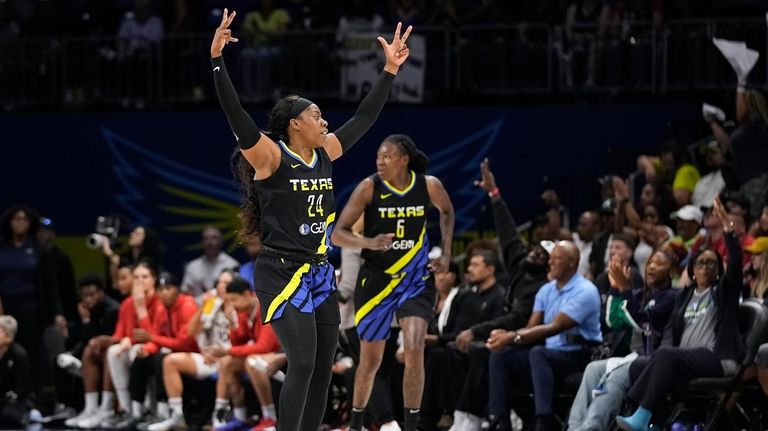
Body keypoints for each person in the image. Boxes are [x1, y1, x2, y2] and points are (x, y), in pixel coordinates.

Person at [210, 7, 411, 430]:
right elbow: (236, 117)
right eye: (317, 116)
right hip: (280, 272)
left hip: (319, 272)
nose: (325, 121)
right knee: (300, 363)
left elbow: (364, 118)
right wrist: (217, 61)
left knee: (322, 367)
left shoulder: (326, 153)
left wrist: (390, 71)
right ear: (295, 125)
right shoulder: (269, 156)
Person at [331, 133, 454, 431]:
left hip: (415, 279)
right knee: (371, 361)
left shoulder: (428, 185)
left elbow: (447, 212)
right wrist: (370, 242)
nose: (380, 161)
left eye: (386, 156)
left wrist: (447, 253)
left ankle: (410, 424)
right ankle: (357, 422)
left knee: (414, 347)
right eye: (378, 157)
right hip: (376, 281)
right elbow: (338, 234)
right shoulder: (369, 187)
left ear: (404, 160)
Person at [616, 195, 743, 431]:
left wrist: (728, 229)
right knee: (638, 365)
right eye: (701, 263)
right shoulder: (683, 296)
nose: (706, 267)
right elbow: (670, 330)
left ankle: (642, 415)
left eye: (712, 263)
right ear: (692, 271)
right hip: (682, 359)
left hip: (714, 358)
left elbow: (735, 264)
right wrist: (664, 350)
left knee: (665, 357)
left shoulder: (723, 292)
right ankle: (657, 420)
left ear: (719, 271)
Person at [486, 241, 602, 431]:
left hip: (580, 354)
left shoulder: (585, 291)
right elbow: (531, 328)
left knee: (538, 353)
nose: (550, 263)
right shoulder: (546, 290)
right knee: (500, 356)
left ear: (572, 263)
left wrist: (512, 336)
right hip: (550, 354)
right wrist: (507, 336)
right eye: (551, 258)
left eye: (557, 259)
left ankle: (544, 421)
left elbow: (554, 327)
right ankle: (500, 420)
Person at [567, 249, 680, 431]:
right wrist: (615, 288)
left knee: (617, 375)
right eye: (650, 262)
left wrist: (625, 290)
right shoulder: (640, 294)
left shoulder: (672, 296)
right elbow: (613, 321)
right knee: (592, 369)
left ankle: (591, 427)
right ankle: (573, 427)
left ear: (672, 272)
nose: (651, 266)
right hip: (632, 357)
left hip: (653, 360)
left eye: (659, 263)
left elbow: (644, 321)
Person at [0, 204, 66, 392]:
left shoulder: (39, 249)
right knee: (4, 350)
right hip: (4, 309)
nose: (20, 223)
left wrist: (58, 313)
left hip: (32, 309)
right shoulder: (2, 247)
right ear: (9, 222)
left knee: (32, 351)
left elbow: (50, 284)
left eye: (24, 219)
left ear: (30, 223)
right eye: (16, 219)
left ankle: (33, 394)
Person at [61, 274, 120, 428]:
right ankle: (91, 408)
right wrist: (71, 354)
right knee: (87, 351)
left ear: (101, 292)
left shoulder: (112, 309)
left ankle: (106, 407)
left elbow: (106, 339)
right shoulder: (86, 309)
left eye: (92, 295)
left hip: (115, 352)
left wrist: (87, 321)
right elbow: (86, 339)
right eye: (84, 295)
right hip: (98, 352)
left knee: (104, 351)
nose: (88, 299)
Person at [0, 315, 41, 428]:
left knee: (8, 416)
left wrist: (6, 398)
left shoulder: (19, 354)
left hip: (18, 398)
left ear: (9, 337)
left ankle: (29, 413)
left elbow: (23, 387)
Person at [181, 226, 239, 298]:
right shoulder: (192, 267)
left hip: (225, 305)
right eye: (206, 239)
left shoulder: (232, 264)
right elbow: (185, 293)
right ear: (202, 242)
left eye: (214, 238)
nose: (210, 242)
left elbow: (237, 292)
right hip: (198, 306)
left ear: (221, 242)